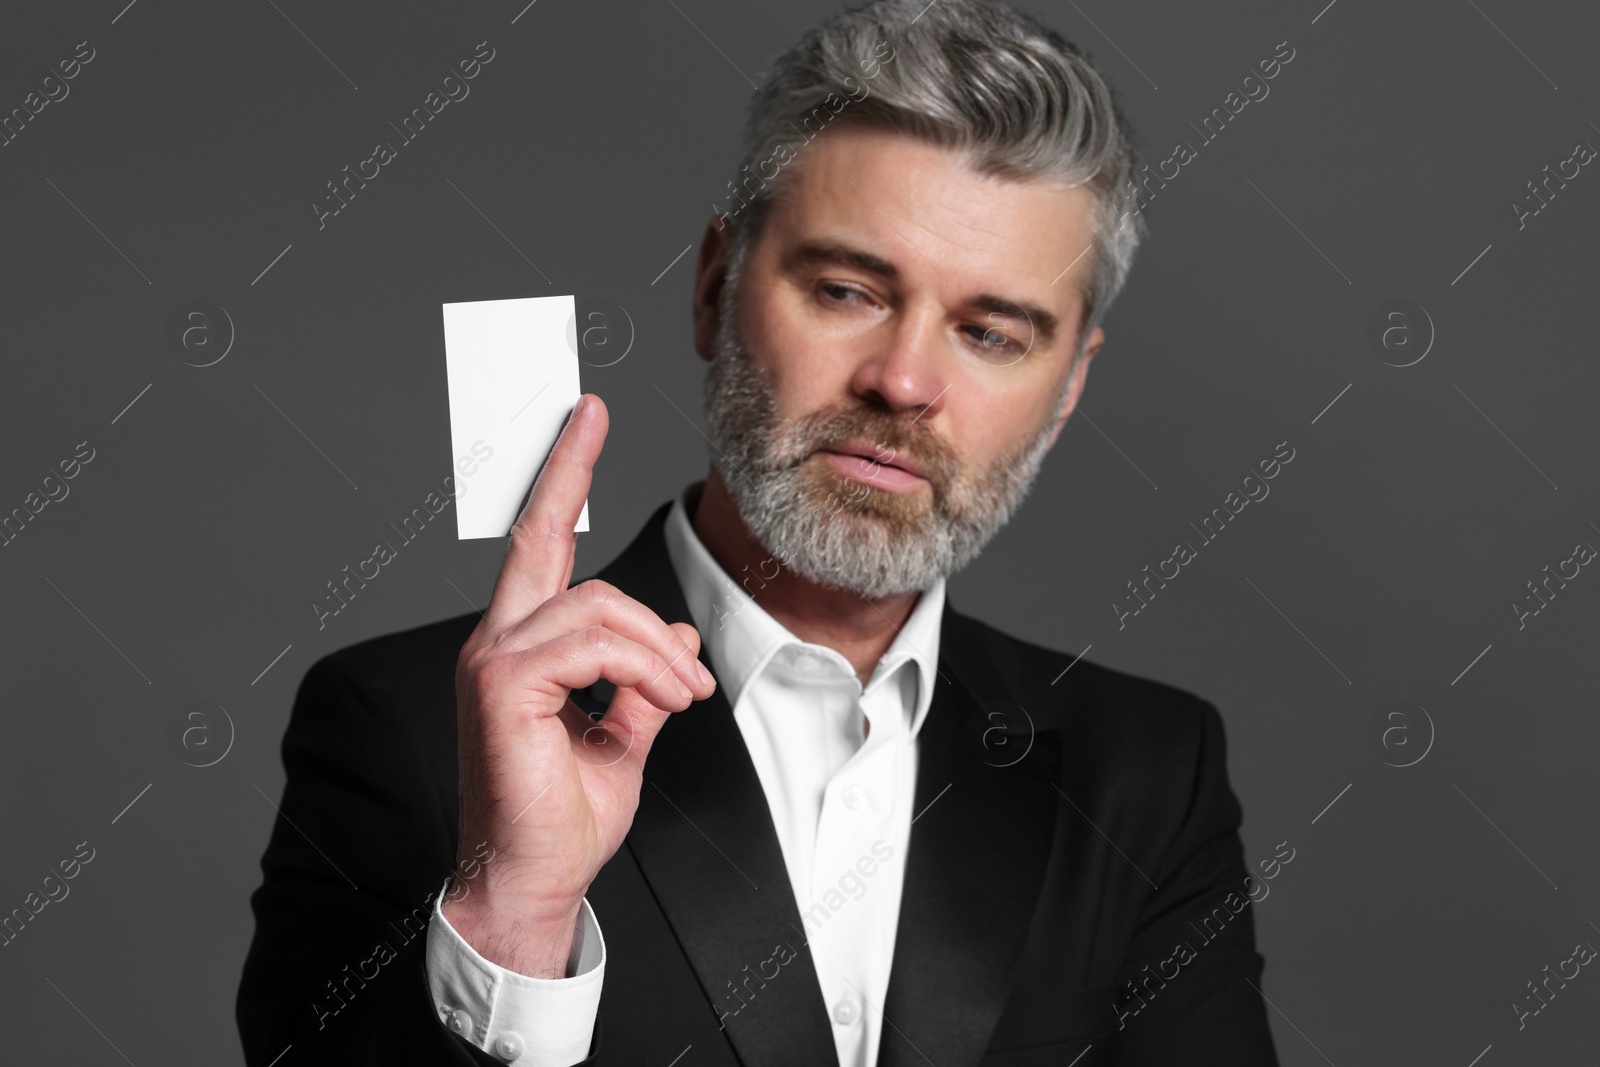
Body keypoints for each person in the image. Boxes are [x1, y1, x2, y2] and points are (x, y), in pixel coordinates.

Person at [237, 1, 1280, 1064]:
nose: (904, 381)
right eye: (844, 289)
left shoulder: (1147, 771)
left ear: (1066, 388)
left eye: (989, 333)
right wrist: (512, 909)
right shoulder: (407, 723)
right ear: (713, 286)